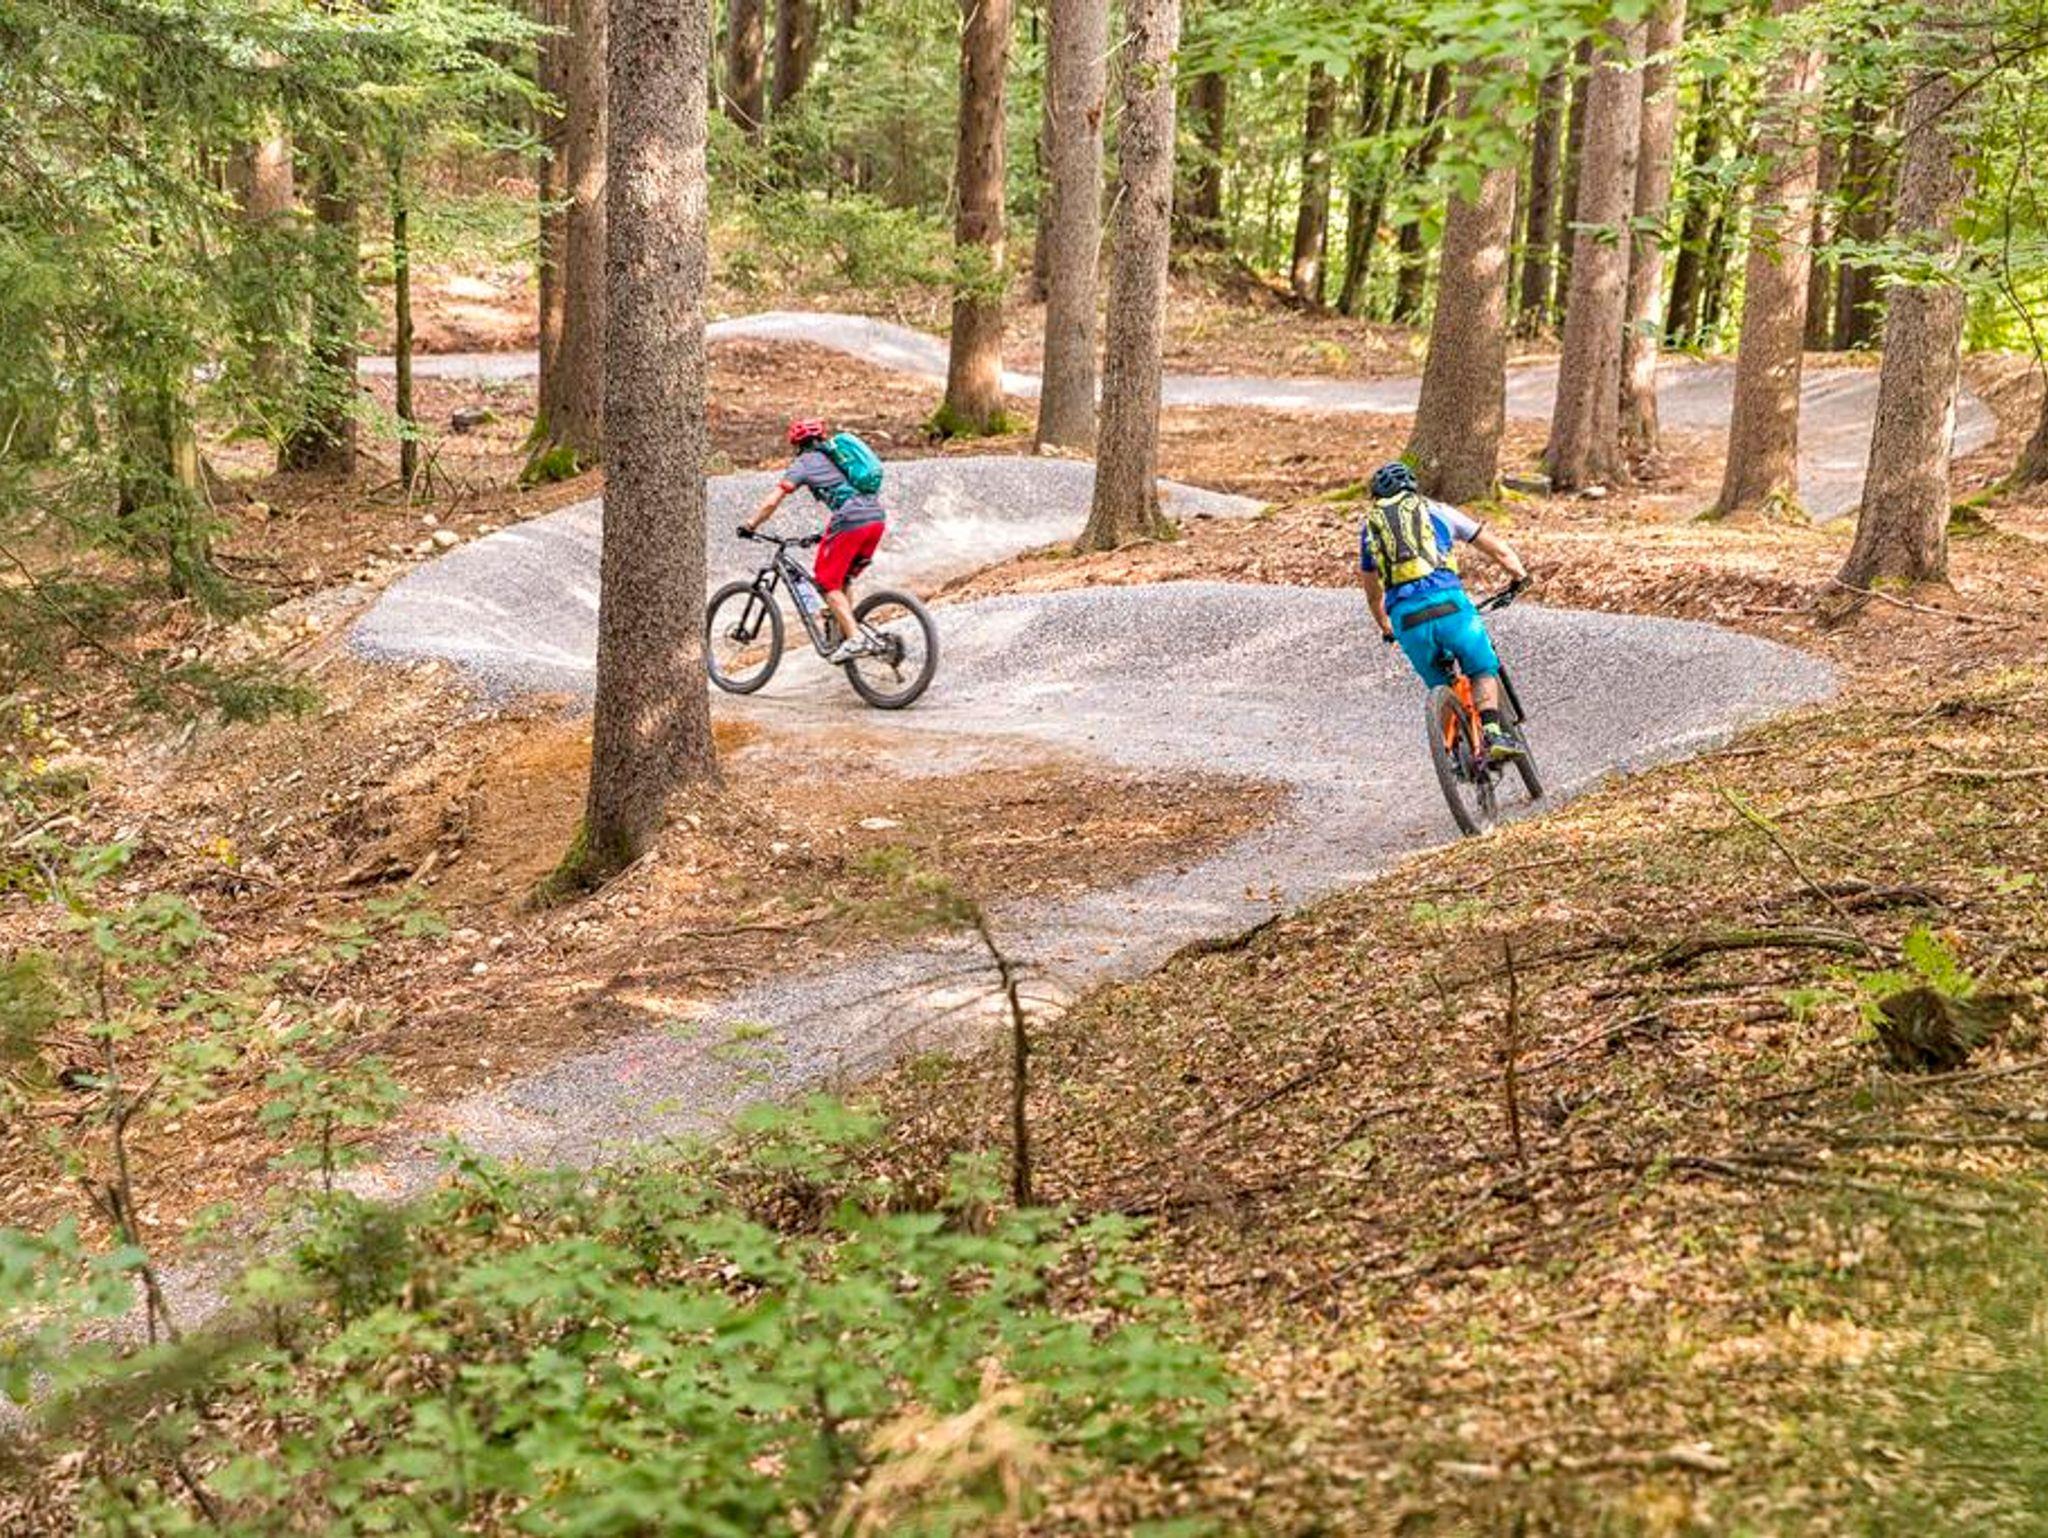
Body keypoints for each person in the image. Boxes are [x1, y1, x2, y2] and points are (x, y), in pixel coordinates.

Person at [1358, 461, 1532, 761]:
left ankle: (1452, 756)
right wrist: (1519, 576)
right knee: (1481, 668)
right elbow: (1498, 550)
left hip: (1406, 619)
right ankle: (1493, 732)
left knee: (1439, 684)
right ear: (1413, 488)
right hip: (1450, 606)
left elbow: (1373, 595)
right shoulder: (1439, 511)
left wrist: (1385, 626)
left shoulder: (1370, 530)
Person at [741, 419, 890, 665]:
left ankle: (854, 639)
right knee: (843, 578)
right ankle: (845, 633)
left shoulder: (804, 463)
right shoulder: (837, 457)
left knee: (826, 582)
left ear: (796, 444)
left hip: (850, 518)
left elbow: (773, 501)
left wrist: (750, 525)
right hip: (875, 517)